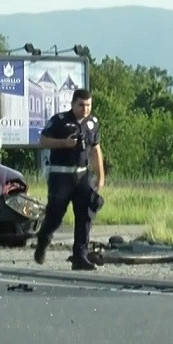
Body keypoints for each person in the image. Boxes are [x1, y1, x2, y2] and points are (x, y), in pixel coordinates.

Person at [33, 89, 105, 270]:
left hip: (82, 175)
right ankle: (43, 240)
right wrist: (64, 143)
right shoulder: (59, 121)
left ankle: (80, 256)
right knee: (55, 215)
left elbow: (95, 150)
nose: (85, 109)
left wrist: (100, 176)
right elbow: (42, 141)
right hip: (61, 176)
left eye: (88, 105)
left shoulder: (92, 123)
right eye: (81, 105)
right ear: (73, 104)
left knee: (85, 214)